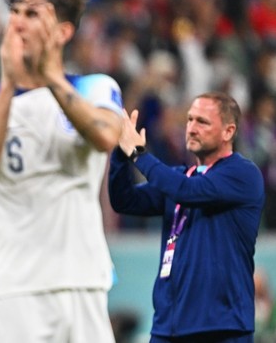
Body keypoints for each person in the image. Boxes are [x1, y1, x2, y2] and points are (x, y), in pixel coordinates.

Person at [0, 0, 123, 342]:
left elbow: (107, 136)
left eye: (33, 15)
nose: (18, 22)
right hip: (15, 289)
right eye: (16, 12)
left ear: (62, 32)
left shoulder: (95, 87)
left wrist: (51, 77)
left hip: (82, 281)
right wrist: (11, 83)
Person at [108, 92, 265, 343]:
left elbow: (188, 192)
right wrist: (120, 151)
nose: (191, 128)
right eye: (190, 120)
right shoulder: (181, 176)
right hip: (168, 327)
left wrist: (139, 153)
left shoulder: (243, 175)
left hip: (221, 328)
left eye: (202, 122)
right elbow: (124, 200)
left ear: (228, 131)